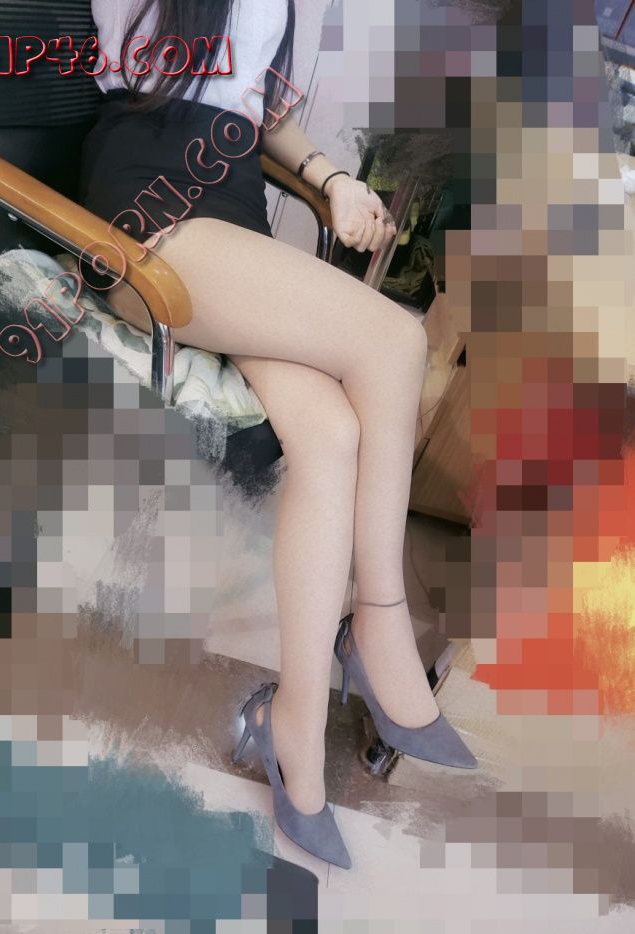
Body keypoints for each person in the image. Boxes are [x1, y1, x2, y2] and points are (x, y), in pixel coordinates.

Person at [80, 0, 477, 870]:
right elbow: (157, 74)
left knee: (331, 432)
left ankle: (292, 727)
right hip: (149, 206)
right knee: (396, 341)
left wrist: (333, 180)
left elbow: (253, 105)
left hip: (230, 210)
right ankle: (375, 629)